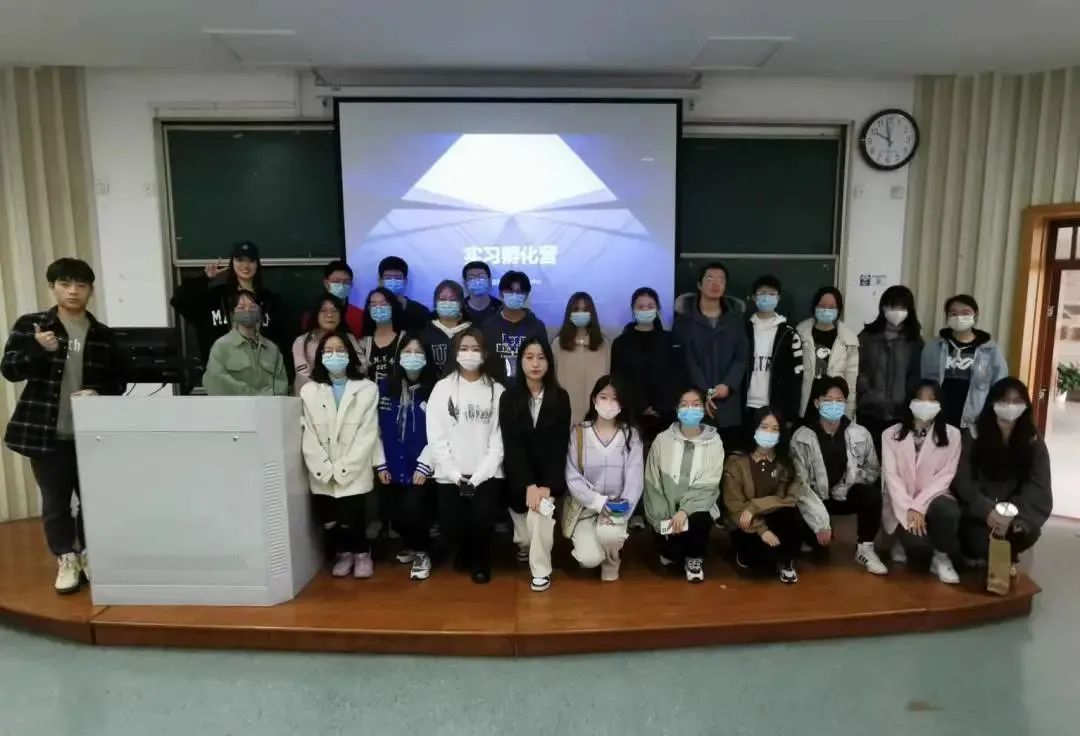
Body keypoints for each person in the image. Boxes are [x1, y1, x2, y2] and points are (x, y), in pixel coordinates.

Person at [1, 258, 125, 594]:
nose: (73, 291)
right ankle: (65, 558)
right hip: (46, 432)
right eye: (65, 284)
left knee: (93, 501)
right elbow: (10, 369)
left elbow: (119, 381)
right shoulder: (33, 325)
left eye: (81, 285)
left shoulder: (102, 334)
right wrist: (38, 350)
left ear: (91, 291)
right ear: (52, 287)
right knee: (55, 502)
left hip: (91, 435)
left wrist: (97, 391)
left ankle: (89, 555)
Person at [300, 333, 384, 579]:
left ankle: (362, 554)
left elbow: (368, 433)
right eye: (328, 351)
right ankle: (344, 554)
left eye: (340, 350)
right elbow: (308, 433)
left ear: (349, 354)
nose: (334, 355)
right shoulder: (308, 390)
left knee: (353, 516)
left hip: (354, 467)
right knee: (330, 519)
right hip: (322, 468)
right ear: (320, 356)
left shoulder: (367, 389)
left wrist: (345, 467)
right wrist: (325, 467)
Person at [426, 328, 506, 583]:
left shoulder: (497, 390)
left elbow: (498, 440)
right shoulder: (442, 388)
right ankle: (464, 550)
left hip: (486, 474)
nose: (469, 354)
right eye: (464, 348)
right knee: (451, 525)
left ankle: (480, 559)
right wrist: (454, 474)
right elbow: (436, 436)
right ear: (455, 353)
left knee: (482, 521)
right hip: (450, 474)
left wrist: (479, 476)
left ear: (484, 353)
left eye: (475, 349)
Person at [952, 378, 1052, 570]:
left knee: (1025, 532)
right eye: (1004, 400)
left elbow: (1038, 485)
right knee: (978, 544)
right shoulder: (973, 435)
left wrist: (1012, 515)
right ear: (992, 403)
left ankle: (1008, 555)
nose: (1010, 406)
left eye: (1017, 401)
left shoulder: (1033, 441)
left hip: (1016, 513)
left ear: (1025, 406)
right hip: (980, 513)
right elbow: (962, 480)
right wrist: (987, 510)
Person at [723, 407, 831, 584]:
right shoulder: (736, 462)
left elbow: (788, 498)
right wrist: (762, 530)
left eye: (775, 429)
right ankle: (746, 554)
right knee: (757, 560)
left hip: (772, 517)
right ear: (754, 429)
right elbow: (734, 503)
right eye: (764, 427)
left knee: (790, 514)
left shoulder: (787, 463)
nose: (769, 433)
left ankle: (785, 561)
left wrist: (754, 507)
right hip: (746, 521)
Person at [791, 377, 887, 575]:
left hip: (846, 495)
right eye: (828, 400)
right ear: (817, 403)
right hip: (815, 499)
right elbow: (800, 484)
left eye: (839, 400)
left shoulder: (860, 433)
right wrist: (821, 523)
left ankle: (865, 548)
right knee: (816, 545)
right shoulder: (802, 437)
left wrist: (849, 482)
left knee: (871, 496)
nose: (834, 405)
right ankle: (809, 537)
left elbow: (872, 469)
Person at [499, 337, 572, 592]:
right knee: (526, 537)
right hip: (518, 480)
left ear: (549, 362)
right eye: (529, 357)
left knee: (540, 515)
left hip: (547, 480)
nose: (535, 364)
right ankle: (525, 544)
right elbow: (512, 447)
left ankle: (540, 571)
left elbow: (559, 447)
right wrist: (528, 484)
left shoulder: (560, 398)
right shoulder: (508, 398)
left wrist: (546, 486)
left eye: (541, 358)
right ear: (520, 362)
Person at [881, 380, 963, 584]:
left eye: (932, 400)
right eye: (920, 399)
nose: (926, 404)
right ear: (910, 401)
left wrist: (918, 506)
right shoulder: (890, 435)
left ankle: (941, 557)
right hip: (902, 503)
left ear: (940, 404)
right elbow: (892, 478)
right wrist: (909, 508)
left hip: (933, 497)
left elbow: (945, 476)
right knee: (918, 549)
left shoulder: (953, 435)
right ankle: (901, 539)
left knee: (948, 510)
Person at [564, 376, 644, 582]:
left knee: (610, 535)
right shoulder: (579, 433)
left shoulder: (631, 435)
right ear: (594, 399)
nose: (609, 403)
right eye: (604, 397)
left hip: (617, 507)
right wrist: (600, 503)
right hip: (586, 508)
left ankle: (612, 560)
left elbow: (634, 481)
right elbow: (573, 477)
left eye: (615, 399)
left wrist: (618, 510)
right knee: (588, 559)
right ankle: (599, 550)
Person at [643, 388, 725, 583]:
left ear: (704, 409)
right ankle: (673, 550)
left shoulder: (714, 442)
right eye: (684, 405)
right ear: (677, 409)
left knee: (699, 520)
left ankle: (695, 558)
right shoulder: (662, 440)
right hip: (668, 514)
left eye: (696, 404)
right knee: (672, 553)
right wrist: (663, 518)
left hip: (696, 512)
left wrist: (685, 511)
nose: (690, 409)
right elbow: (652, 483)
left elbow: (709, 484)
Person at [377, 332, 437, 581]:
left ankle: (423, 552)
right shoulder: (384, 388)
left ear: (427, 358)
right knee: (395, 513)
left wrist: (425, 465)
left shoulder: (435, 390)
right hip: (391, 464)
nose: (413, 357)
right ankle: (412, 547)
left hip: (421, 466)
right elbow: (374, 429)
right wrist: (380, 463)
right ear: (399, 356)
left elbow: (440, 432)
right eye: (407, 352)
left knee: (415, 511)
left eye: (418, 352)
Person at [170, 240, 282, 368]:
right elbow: (178, 301)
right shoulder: (215, 297)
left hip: (260, 375)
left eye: (251, 261)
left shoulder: (270, 301)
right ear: (232, 263)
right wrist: (203, 279)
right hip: (219, 373)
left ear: (257, 264)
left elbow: (282, 342)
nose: (245, 265)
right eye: (240, 260)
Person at [673, 262, 748, 448]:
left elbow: (741, 356)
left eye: (721, 280)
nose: (716, 283)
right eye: (710, 278)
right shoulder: (685, 319)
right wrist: (706, 390)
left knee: (728, 453)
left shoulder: (735, 319)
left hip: (728, 399)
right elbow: (687, 359)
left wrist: (728, 385)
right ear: (699, 285)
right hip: (695, 399)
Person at [610, 287, 684, 446]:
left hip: (665, 416)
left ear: (657, 309)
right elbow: (618, 379)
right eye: (640, 306)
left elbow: (678, 376)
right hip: (632, 416)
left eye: (650, 306)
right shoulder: (621, 343)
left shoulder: (670, 340)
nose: (645, 310)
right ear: (633, 309)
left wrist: (661, 406)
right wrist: (640, 406)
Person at [921, 294, 1008, 430]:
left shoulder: (990, 349)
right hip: (938, 418)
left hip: (973, 423)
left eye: (965, 313)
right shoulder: (934, 346)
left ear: (975, 315)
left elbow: (1000, 386)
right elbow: (924, 382)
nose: (959, 317)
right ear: (947, 316)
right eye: (953, 313)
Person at [858, 285, 924, 450]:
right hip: (869, 410)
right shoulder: (866, 337)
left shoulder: (914, 341)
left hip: (900, 414)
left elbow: (916, 376)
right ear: (883, 307)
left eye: (901, 307)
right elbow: (856, 369)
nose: (896, 311)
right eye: (892, 306)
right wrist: (864, 388)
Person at [744, 275, 803, 431]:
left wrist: (791, 413)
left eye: (771, 294)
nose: (766, 298)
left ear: (778, 298)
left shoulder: (789, 334)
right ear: (753, 297)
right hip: (746, 405)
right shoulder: (743, 329)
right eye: (762, 293)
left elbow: (795, 378)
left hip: (776, 406)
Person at [203, 290, 288, 396]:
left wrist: (262, 399)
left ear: (260, 312)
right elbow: (216, 381)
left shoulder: (272, 349)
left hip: (267, 405)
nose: (247, 311)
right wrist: (254, 397)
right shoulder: (221, 346)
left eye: (252, 307)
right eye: (241, 308)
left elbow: (281, 384)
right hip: (234, 406)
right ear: (233, 314)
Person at [797, 287, 859, 419]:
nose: (826, 310)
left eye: (832, 307)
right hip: (805, 403)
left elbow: (851, 382)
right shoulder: (800, 334)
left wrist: (848, 414)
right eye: (822, 305)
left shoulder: (848, 340)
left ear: (839, 310)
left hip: (833, 406)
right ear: (814, 307)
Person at [552, 291, 611, 423]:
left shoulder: (603, 344)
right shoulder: (558, 344)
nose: (580, 313)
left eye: (585, 310)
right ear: (569, 313)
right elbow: (552, 380)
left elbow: (607, 380)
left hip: (596, 416)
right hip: (565, 415)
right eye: (576, 309)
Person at [481, 270, 548, 386]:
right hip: (494, 388)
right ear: (501, 294)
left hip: (527, 388)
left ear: (526, 296)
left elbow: (544, 360)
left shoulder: (537, 326)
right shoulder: (488, 326)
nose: (514, 295)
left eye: (519, 292)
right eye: (510, 291)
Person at [292, 294, 364, 395]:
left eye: (335, 311)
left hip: (345, 394)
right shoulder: (302, 342)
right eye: (323, 311)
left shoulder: (349, 338)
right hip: (311, 396)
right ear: (316, 314)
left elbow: (361, 366)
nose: (329, 315)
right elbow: (303, 376)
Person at [300, 260, 364, 339]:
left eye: (346, 282)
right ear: (326, 283)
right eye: (336, 281)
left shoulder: (360, 315)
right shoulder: (312, 314)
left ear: (351, 284)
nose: (341, 285)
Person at [422, 280, 473, 376]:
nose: (447, 303)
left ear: (461, 303)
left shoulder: (473, 331)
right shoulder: (425, 331)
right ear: (435, 303)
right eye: (442, 299)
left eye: (453, 300)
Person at [360, 287, 405, 390]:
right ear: (368, 309)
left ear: (393, 306)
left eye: (384, 304)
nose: (379, 308)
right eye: (374, 305)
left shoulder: (406, 339)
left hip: (398, 397)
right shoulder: (363, 343)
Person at [377, 256, 430, 332]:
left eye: (398, 278)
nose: (393, 282)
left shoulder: (421, 312)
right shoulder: (375, 312)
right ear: (380, 281)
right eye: (388, 278)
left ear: (405, 281)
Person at [462, 260, 502, 324]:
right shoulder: (460, 308)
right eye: (471, 278)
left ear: (489, 281)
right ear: (465, 284)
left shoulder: (500, 308)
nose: (477, 281)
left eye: (481, 276)